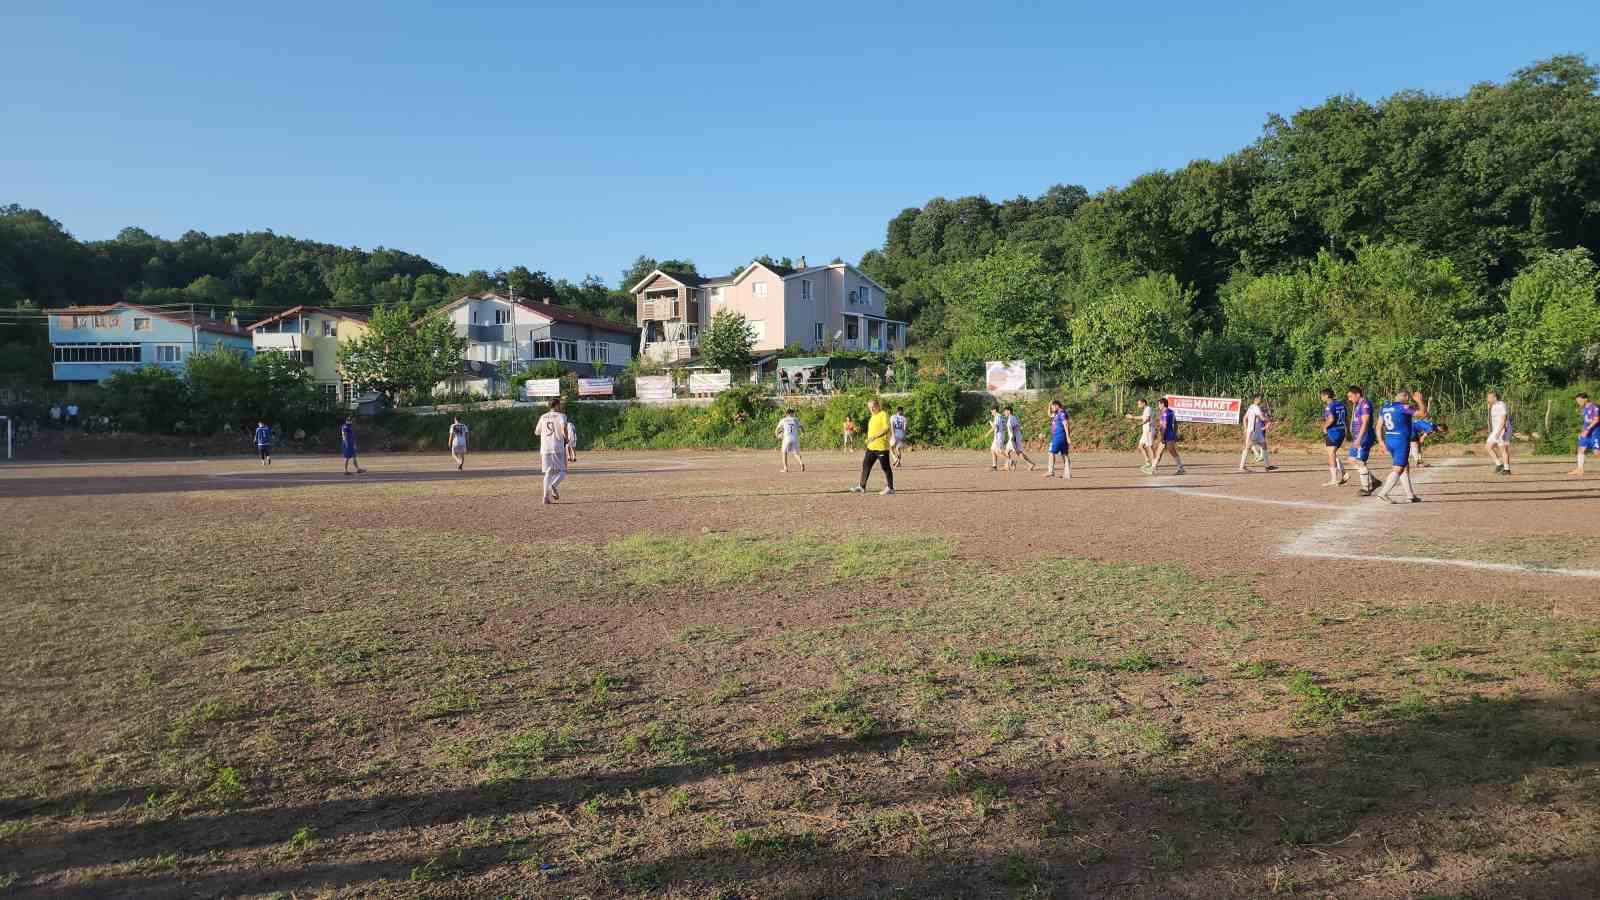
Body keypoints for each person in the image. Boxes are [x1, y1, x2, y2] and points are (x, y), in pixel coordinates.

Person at [1376, 390, 1421, 503]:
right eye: (1408, 397)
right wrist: (1420, 401)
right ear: (1405, 397)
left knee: (1404, 466)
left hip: (1389, 439)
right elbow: (1422, 414)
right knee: (1399, 468)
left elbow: (1378, 426)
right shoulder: (1403, 407)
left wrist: (1381, 442)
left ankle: (1410, 495)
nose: (1409, 400)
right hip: (1401, 440)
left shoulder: (1385, 407)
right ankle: (1383, 493)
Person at [850, 398, 895, 495]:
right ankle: (862, 486)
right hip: (871, 447)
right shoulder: (872, 417)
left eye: (873, 406)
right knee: (866, 465)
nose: (872, 409)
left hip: (881, 447)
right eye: (869, 407)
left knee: (885, 467)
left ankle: (890, 488)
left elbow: (886, 429)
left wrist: (874, 437)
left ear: (878, 406)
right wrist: (868, 439)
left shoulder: (883, 414)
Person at [536, 398, 570, 503]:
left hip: (545, 448)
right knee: (563, 471)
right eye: (559, 405)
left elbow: (537, 432)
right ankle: (553, 485)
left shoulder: (543, 416)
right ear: (556, 405)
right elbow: (563, 427)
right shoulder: (561, 416)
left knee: (548, 472)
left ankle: (545, 497)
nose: (560, 407)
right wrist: (566, 438)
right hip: (557, 447)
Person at [1347, 386, 1378, 495]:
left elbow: (1365, 423)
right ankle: (1373, 481)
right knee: (1351, 459)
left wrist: (1359, 438)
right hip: (1358, 437)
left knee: (1360, 461)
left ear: (1358, 394)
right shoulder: (1358, 405)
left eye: (1350, 396)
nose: (1349, 399)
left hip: (1365, 436)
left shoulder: (1365, 404)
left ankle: (1366, 488)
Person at [1320, 388, 1349, 487]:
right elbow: (1346, 418)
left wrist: (1325, 427)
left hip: (1333, 432)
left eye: (1322, 396)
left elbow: (1331, 419)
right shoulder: (1341, 405)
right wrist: (1348, 431)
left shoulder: (1329, 407)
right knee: (1333, 453)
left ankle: (1334, 479)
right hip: (1341, 431)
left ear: (1327, 396)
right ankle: (1344, 473)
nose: (1321, 398)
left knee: (1331, 455)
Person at [1150, 397, 1186, 475]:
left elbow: (1164, 426)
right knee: (1160, 451)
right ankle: (1153, 468)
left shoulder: (1165, 413)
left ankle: (1181, 468)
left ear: (1163, 404)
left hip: (1167, 434)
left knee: (1170, 450)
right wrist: (1175, 433)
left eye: (1159, 404)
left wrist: (1163, 437)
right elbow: (1175, 423)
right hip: (1170, 434)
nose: (1158, 406)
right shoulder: (1171, 412)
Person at [1570, 392, 1600, 478]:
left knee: (1597, 453)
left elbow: (1596, 419)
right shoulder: (1585, 408)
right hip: (1586, 433)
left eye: (1580, 400)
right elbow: (1586, 422)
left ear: (1585, 399)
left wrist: (1587, 430)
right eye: (1577, 401)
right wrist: (1582, 431)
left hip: (1595, 433)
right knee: (1580, 449)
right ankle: (1580, 469)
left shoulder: (1594, 406)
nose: (1578, 402)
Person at [1239, 394, 1270, 473]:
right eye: (1260, 399)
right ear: (1256, 399)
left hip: (1256, 431)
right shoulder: (1256, 407)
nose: (1261, 400)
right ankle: (1241, 467)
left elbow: (1244, 418)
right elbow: (1262, 418)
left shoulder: (1251, 407)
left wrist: (1245, 429)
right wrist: (1268, 420)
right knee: (1247, 447)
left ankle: (1267, 466)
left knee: (1264, 445)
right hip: (1253, 431)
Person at [1486, 390, 1512, 476]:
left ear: (1495, 397)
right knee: (1488, 446)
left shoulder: (1501, 405)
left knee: (1503, 449)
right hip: (1496, 430)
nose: (1487, 398)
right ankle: (1499, 465)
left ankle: (1507, 469)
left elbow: (1504, 419)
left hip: (1503, 428)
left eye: (1489, 397)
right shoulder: (1493, 406)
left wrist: (1501, 431)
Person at [1126, 399, 1155, 473]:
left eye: (1139, 404)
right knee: (1140, 446)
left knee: (1149, 447)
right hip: (1145, 431)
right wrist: (1132, 417)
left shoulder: (1148, 409)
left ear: (1144, 403)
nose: (1138, 405)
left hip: (1149, 430)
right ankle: (1148, 462)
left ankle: (1153, 465)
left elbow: (1147, 419)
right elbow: (1142, 417)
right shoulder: (1146, 410)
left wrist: (1137, 425)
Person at [1045, 399, 1071, 479]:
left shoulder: (1062, 413)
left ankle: (1051, 471)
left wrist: (1068, 436)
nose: (1052, 408)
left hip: (1058, 437)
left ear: (1057, 406)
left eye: (1053, 406)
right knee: (1065, 455)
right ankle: (1067, 474)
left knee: (1051, 452)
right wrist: (1050, 403)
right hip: (1061, 437)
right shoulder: (1058, 413)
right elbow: (1049, 414)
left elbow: (1066, 424)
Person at [1007, 405, 1038, 471]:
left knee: (1018, 452)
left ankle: (1030, 463)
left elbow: (1016, 427)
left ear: (1009, 411)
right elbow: (1017, 426)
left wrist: (1013, 437)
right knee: (1007, 451)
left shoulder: (1011, 418)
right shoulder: (1012, 418)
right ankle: (1011, 463)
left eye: (1005, 411)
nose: (1004, 413)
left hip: (1013, 438)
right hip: (1013, 437)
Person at [775, 407, 805, 473]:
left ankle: (785, 468)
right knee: (795, 453)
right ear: (791, 413)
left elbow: (777, 429)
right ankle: (801, 463)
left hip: (786, 438)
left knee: (784, 453)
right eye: (793, 413)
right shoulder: (795, 419)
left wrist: (777, 435)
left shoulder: (783, 420)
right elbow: (801, 427)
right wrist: (803, 433)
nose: (794, 414)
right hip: (795, 438)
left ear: (786, 414)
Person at [989, 406, 1008, 471]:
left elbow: (995, 427)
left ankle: (1010, 461)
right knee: (992, 450)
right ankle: (994, 466)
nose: (991, 412)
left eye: (991, 410)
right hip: (1000, 435)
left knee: (997, 451)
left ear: (994, 410)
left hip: (999, 436)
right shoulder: (1001, 416)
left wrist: (987, 434)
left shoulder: (997, 417)